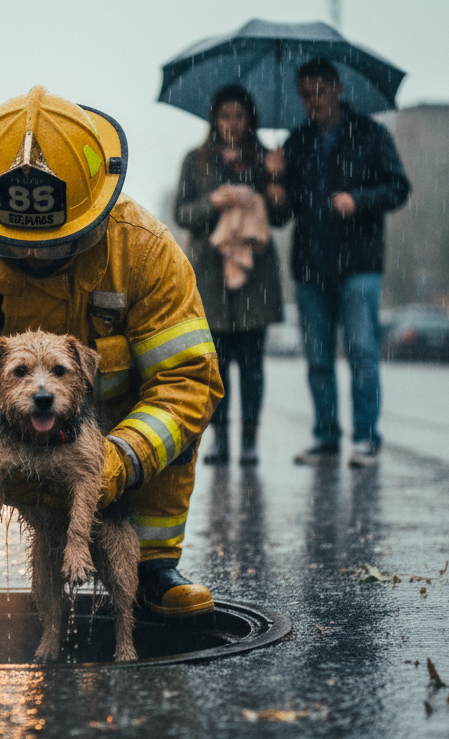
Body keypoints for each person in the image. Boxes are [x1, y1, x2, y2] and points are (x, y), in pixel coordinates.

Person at [0, 86, 224, 618]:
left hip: (105, 446)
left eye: (57, 243)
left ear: (100, 212)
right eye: (14, 245)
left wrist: (121, 459)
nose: (35, 256)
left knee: (171, 427)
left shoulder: (146, 249)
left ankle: (149, 565)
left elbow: (187, 381)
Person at [268, 59, 410, 468]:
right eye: (304, 94)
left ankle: (366, 439)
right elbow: (281, 217)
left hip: (360, 264)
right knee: (317, 358)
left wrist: (358, 200)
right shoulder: (296, 142)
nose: (311, 102)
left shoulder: (370, 134)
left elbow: (398, 187)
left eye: (318, 92)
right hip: (310, 265)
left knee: (363, 352)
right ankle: (326, 437)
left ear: (337, 90)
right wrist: (275, 181)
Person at [174, 85, 285, 466]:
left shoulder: (264, 159)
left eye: (239, 116)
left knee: (252, 366)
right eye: (225, 116)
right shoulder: (196, 160)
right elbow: (183, 213)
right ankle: (220, 439)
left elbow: (282, 218)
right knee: (216, 367)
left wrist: (275, 183)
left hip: (255, 278)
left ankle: (250, 439)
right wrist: (213, 203)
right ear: (214, 120)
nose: (232, 124)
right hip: (210, 277)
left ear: (250, 119)